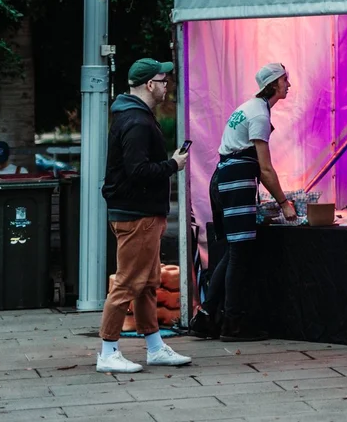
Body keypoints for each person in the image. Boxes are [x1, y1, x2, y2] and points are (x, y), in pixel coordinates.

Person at [95, 58, 192, 374]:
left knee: (148, 283)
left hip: (140, 213)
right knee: (127, 283)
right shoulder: (137, 122)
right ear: (150, 84)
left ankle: (155, 347)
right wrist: (173, 165)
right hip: (137, 215)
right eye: (164, 81)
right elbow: (137, 171)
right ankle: (108, 352)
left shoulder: (133, 116)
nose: (167, 86)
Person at [198, 62, 296, 342]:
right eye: (285, 80)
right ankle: (233, 324)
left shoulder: (249, 107)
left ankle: (206, 316)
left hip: (224, 178)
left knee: (233, 252)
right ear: (273, 84)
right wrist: (284, 203)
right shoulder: (259, 115)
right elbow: (265, 168)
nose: (288, 85)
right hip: (236, 181)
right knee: (240, 256)